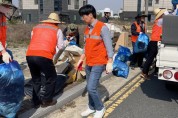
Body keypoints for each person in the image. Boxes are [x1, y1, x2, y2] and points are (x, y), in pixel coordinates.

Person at [78, 4, 114, 118]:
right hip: (89, 61)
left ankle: (100, 108)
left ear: (90, 15)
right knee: (89, 85)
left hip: (99, 62)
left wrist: (110, 61)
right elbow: (86, 45)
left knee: (91, 87)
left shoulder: (102, 27)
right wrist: (81, 59)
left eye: (83, 16)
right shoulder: (87, 28)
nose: (82, 19)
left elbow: (109, 46)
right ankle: (91, 107)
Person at [26, 13, 68, 108]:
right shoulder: (57, 30)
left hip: (30, 54)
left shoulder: (36, 27)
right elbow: (60, 47)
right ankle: (47, 100)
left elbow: (34, 40)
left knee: (36, 79)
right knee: (51, 77)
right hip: (44, 56)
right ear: (56, 23)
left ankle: (35, 102)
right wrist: (64, 44)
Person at [141, 8, 169, 78]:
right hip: (154, 42)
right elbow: (169, 19)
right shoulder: (160, 21)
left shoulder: (158, 21)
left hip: (155, 41)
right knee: (150, 58)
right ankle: (144, 73)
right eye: (163, 14)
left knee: (156, 57)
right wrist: (168, 13)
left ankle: (155, 71)